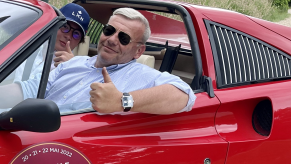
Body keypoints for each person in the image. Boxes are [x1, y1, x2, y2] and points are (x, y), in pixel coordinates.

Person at [15, 8, 195, 115]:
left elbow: (185, 95)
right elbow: (29, 89)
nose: (112, 39)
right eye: (109, 30)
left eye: (124, 38)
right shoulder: (72, 64)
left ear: (138, 51)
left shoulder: (140, 75)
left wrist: (122, 101)